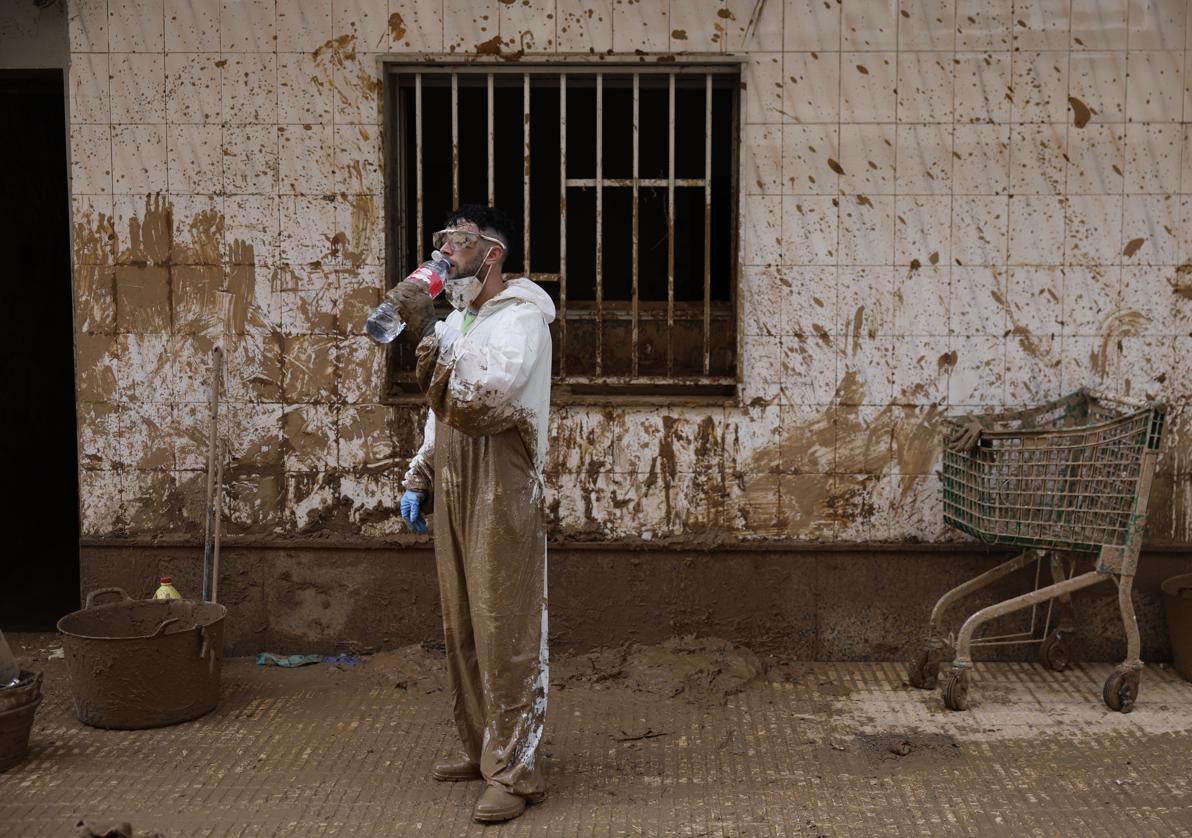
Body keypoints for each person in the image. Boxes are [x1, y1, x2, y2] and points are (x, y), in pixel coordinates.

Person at [394, 205, 555, 824]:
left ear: (492, 253)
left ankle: (515, 773)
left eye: (457, 245)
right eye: (441, 243)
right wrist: (422, 471)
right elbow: (442, 416)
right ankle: (483, 747)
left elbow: (482, 399)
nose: (444, 257)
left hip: (504, 483)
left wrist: (426, 337)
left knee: (505, 631)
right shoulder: (462, 318)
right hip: (458, 478)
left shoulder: (522, 318)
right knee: (460, 623)